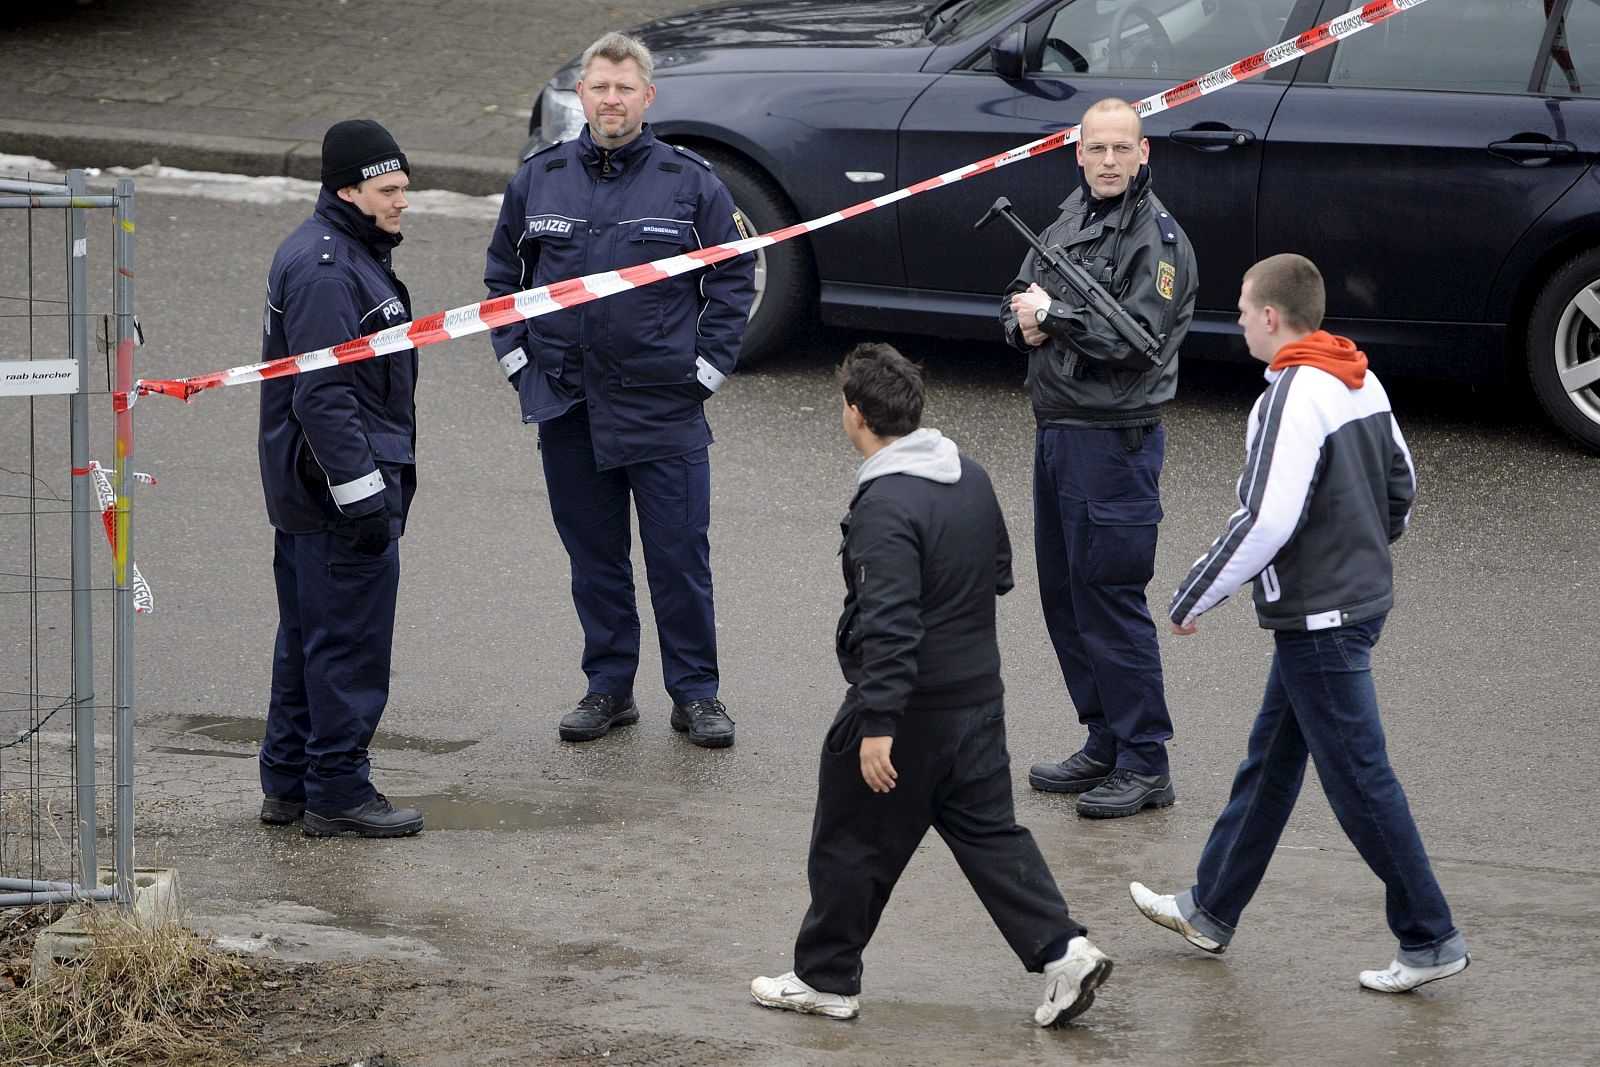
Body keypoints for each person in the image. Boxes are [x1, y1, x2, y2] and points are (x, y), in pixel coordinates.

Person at [1130, 254, 1469, 993]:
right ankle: (1212, 907)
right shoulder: (1357, 375)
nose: (1241, 318)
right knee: (1273, 759)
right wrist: (1362, 552)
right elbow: (1401, 486)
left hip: (1321, 618)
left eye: (1246, 307)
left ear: (1273, 317)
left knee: (1358, 780)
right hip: (1353, 603)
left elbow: (1266, 517)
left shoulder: (1286, 395)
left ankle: (1430, 936)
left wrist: (1193, 595)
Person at [750, 343, 1111, 1028]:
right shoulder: (967, 474)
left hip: (909, 711)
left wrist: (878, 723)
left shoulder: (885, 505)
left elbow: (889, 625)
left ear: (856, 415)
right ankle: (1067, 952)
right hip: (978, 700)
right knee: (990, 834)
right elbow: (1000, 571)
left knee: (849, 838)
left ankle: (825, 978)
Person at [483, 32, 754, 749]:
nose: (610, 100)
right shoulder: (538, 178)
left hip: (662, 408)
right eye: (598, 87)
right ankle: (609, 688)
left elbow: (733, 277)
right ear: (582, 95)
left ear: (648, 97)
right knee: (595, 560)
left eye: (623, 88)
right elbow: (501, 282)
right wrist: (519, 365)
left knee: (679, 561)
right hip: (569, 406)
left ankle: (696, 695)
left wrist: (707, 369)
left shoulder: (689, 181)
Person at [1000, 96, 1198, 819]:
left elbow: (1137, 341)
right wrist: (1025, 327)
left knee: (1110, 598)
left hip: (1114, 441)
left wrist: (1054, 318)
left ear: (1144, 154)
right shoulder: (1066, 221)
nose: (1108, 160)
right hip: (1058, 431)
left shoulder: (1159, 241)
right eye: (1096, 148)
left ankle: (1146, 761)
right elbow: (1016, 298)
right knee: (1066, 596)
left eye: (1122, 148)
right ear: (1077, 154)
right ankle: (1106, 738)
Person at [256, 119, 424, 838]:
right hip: (335, 494)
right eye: (388, 190)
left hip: (308, 490)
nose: (401, 203)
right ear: (347, 190)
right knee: (347, 645)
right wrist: (363, 499)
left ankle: (288, 782)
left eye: (403, 189)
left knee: (306, 637)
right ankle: (338, 790)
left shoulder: (338, 249)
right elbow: (322, 395)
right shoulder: (329, 270)